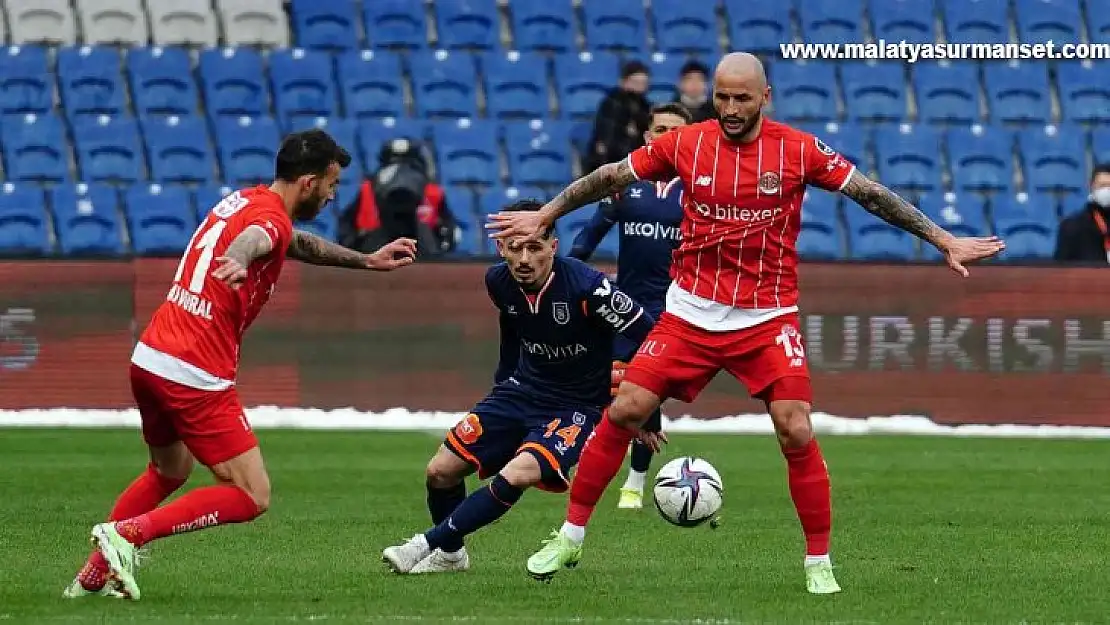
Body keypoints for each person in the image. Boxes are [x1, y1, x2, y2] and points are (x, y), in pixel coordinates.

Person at [486, 52, 1005, 594]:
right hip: (689, 312)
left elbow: (870, 194)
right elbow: (610, 176)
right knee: (626, 408)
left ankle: (818, 563)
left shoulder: (799, 150)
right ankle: (570, 534)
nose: (730, 109)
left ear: (765, 96)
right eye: (721, 97)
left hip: (766, 315)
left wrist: (942, 239)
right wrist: (547, 214)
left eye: (742, 98)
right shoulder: (687, 143)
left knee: (796, 427)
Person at [64, 129, 418, 601]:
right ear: (309, 182)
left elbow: (296, 243)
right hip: (194, 369)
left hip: (150, 357)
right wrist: (237, 258)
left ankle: (92, 575)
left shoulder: (246, 200)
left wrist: (367, 261)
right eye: (332, 185)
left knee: (168, 471)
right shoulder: (266, 221)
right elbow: (258, 239)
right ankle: (126, 535)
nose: (334, 196)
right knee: (252, 494)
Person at [380, 200, 655, 575]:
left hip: (575, 407)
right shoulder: (498, 281)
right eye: (515, 248)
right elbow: (512, 329)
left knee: (518, 473)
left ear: (553, 247)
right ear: (500, 249)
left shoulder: (590, 289)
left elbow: (653, 338)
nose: (525, 258)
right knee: (439, 471)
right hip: (520, 393)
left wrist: (647, 411)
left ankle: (423, 545)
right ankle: (451, 556)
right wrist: (502, 386)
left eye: (535, 247)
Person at [568, 102, 692, 510]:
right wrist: (567, 273)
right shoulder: (626, 183)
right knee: (618, 390)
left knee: (649, 391)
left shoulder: (699, 190)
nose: (666, 137)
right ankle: (593, 462)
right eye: (659, 129)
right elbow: (590, 234)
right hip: (627, 306)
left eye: (675, 130)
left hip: (677, 307)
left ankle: (635, 482)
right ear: (646, 136)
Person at [582, 60, 652, 174]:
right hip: (607, 167)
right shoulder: (612, 104)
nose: (639, 86)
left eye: (643, 83)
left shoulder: (646, 107)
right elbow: (607, 142)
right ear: (623, 82)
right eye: (635, 82)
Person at [1055, 163, 1110, 264]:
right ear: (1091, 187)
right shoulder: (1072, 226)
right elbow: (1060, 270)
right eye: (1102, 185)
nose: (1107, 190)